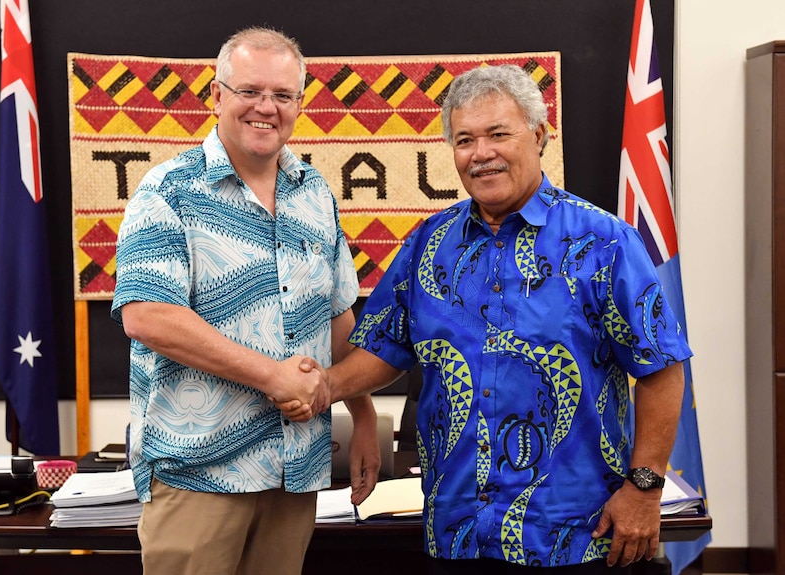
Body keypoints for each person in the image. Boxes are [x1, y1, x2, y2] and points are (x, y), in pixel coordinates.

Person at [282, 64, 690, 575]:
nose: (481, 154)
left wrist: (645, 487)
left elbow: (661, 367)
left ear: (538, 136)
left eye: (499, 134)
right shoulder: (427, 244)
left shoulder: (604, 242)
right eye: (465, 140)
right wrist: (326, 386)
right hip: (458, 532)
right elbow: (384, 347)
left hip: (574, 535)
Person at [111, 26, 380, 575]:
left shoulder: (315, 193)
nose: (266, 108)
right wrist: (272, 376)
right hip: (201, 475)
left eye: (283, 96)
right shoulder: (166, 192)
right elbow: (147, 316)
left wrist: (365, 416)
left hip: (296, 470)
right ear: (216, 96)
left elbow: (336, 317)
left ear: (299, 105)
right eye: (250, 91)